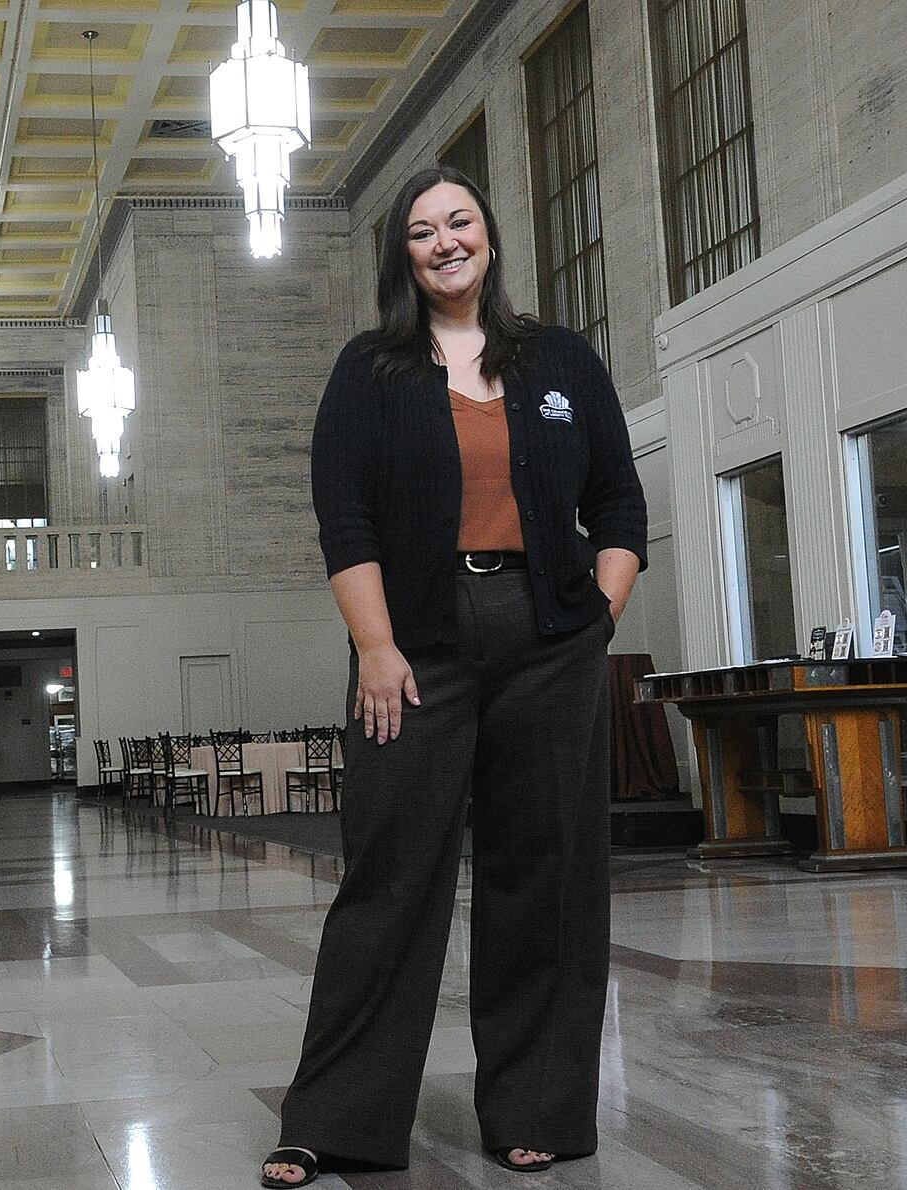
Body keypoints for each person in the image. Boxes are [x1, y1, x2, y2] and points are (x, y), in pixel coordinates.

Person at [259, 166, 647, 1188]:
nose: (443, 242)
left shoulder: (560, 359)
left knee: (549, 876)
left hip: (548, 636)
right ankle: (332, 1116)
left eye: (459, 222)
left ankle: (539, 1108)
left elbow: (618, 505)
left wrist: (593, 619)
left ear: (488, 235)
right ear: (403, 254)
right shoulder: (369, 370)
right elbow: (344, 522)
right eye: (422, 230)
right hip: (416, 645)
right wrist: (376, 647)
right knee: (388, 877)